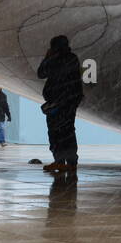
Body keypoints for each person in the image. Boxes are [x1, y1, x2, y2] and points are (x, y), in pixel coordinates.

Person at [37, 35, 84, 174]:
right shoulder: (72, 58)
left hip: (59, 102)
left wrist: (47, 58)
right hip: (68, 101)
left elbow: (41, 73)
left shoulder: (56, 59)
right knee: (67, 131)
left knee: (57, 132)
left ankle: (62, 161)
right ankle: (68, 162)